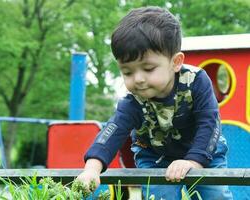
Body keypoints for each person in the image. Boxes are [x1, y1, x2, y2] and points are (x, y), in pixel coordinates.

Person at [77, 6, 233, 200]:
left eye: (148, 68)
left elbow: (209, 123)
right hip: (156, 157)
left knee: (215, 196)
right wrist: (91, 169)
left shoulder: (196, 82)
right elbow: (113, 130)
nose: (138, 79)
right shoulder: (133, 100)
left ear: (175, 62)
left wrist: (193, 162)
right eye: (127, 72)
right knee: (160, 197)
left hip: (204, 151)